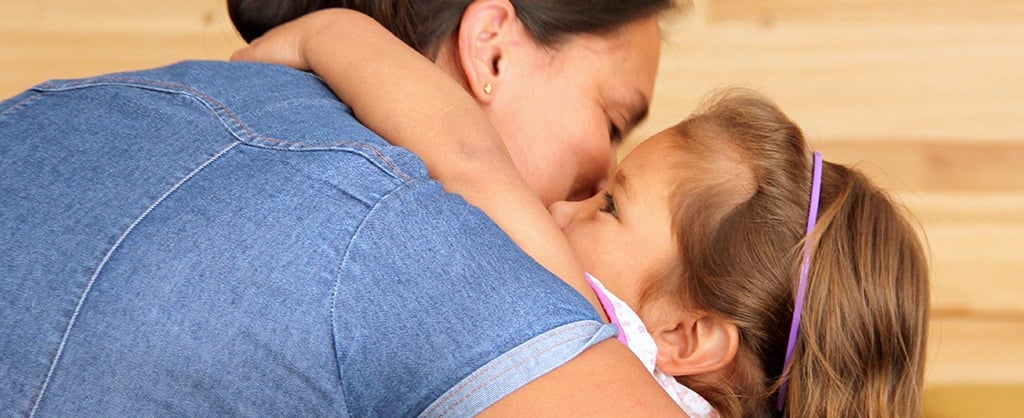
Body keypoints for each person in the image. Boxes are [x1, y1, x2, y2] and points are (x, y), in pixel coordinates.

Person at [0, 0, 688, 416]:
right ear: (492, 50)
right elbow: (470, 162)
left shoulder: (63, 106)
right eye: (615, 118)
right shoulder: (435, 251)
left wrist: (328, 32)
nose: (603, 170)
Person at [232, 9, 932, 417]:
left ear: (684, 335)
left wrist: (327, 34)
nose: (567, 204)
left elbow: (467, 158)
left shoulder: (580, 330)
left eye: (609, 206)